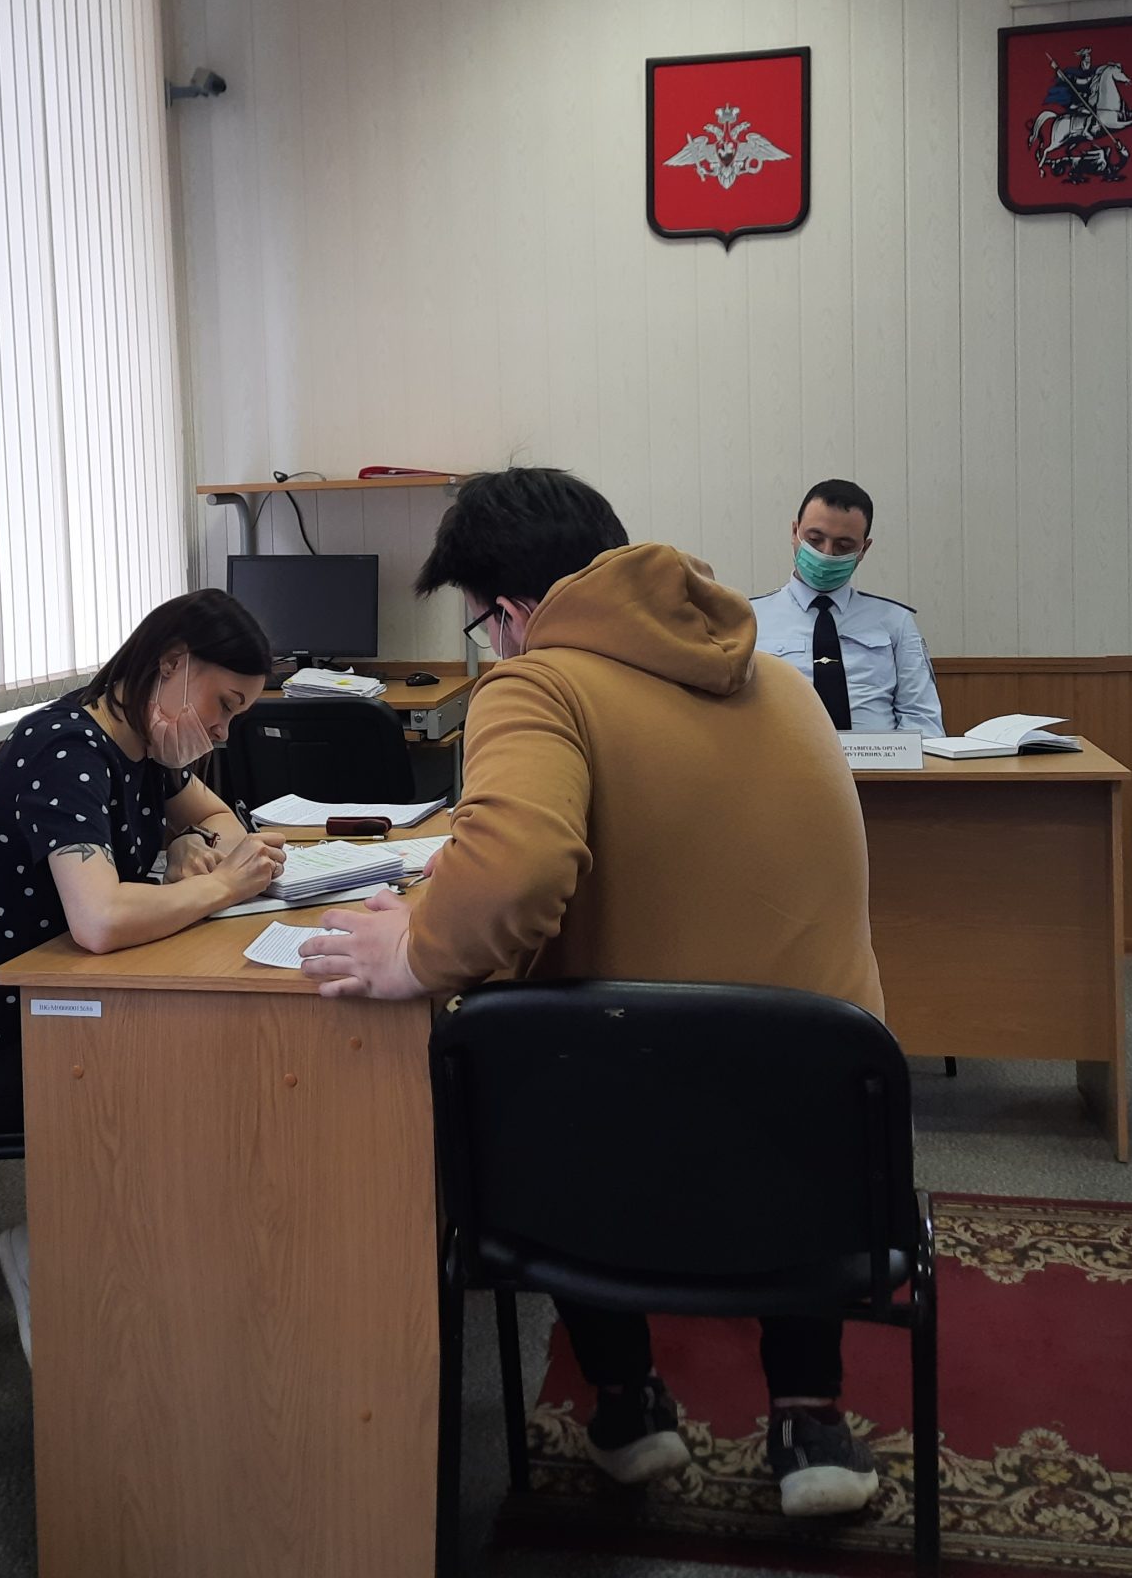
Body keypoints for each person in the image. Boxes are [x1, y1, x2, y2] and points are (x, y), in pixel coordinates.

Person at [295, 467, 888, 1519]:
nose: (491, 647)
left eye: (481, 626)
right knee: (761, 1039)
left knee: (530, 1070)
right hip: (831, 1160)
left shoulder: (538, 684)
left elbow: (516, 876)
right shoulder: (777, 679)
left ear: (512, 611)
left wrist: (415, 950)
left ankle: (627, 1400)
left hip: (630, 1175)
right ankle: (809, 1419)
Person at [0, 590, 289, 1351]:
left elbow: (218, 820)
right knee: (183, 1079)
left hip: (60, 1008)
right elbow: (99, 920)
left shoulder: (143, 744)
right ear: (173, 665)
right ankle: (58, 1257)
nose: (221, 731)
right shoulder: (65, 749)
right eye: (223, 705)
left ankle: (172, 1278)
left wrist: (188, 844)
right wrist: (223, 886)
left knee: (209, 1061)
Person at [749, 479, 944, 736]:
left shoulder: (895, 621)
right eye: (815, 539)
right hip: (783, 757)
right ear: (795, 532)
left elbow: (923, 719)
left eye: (844, 546)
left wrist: (903, 760)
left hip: (881, 759)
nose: (826, 553)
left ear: (864, 549)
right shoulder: (749, 618)